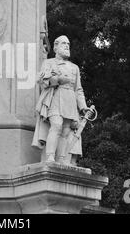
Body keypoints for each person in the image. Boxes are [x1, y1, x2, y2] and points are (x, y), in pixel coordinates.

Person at [32, 35, 89, 164]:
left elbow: (78, 90)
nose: (67, 46)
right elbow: (42, 82)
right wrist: (57, 80)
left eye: (68, 44)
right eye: (63, 44)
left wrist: (83, 107)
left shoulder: (74, 68)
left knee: (65, 131)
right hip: (55, 98)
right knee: (56, 125)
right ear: (56, 47)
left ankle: (62, 158)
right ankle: (50, 156)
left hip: (70, 100)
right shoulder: (49, 62)